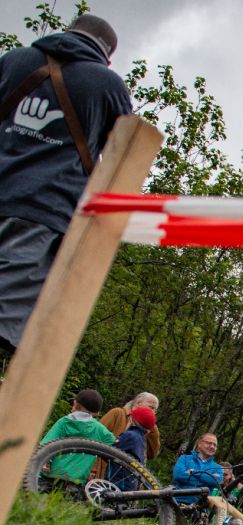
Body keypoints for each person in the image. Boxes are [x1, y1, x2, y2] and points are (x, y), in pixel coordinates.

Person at [0, 15, 133, 357]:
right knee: (6, 329)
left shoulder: (13, 60)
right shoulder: (106, 84)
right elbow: (124, 157)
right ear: (107, 56)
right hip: (43, 212)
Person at [36, 386, 114, 482]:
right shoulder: (99, 429)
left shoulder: (64, 422)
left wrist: (45, 462)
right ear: (97, 413)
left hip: (52, 474)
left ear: (75, 404)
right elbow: (115, 445)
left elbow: (46, 444)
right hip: (77, 479)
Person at [104, 402, 154, 491]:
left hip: (117, 483)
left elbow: (110, 452)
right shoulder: (141, 439)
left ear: (132, 420)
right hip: (129, 483)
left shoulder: (130, 436)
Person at [99, 391, 161, 460]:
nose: (152, 412)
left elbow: (152, 455)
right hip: (102, 463)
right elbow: (96, 435)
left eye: (155, 410)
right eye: (151, 407)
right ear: (138, 403)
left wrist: (151, 427)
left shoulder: (151, 428)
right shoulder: (118, 413)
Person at [172, 432, 223, 504]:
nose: (212, 447)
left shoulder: (218, 468)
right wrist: (205, 481)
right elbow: (178, 476)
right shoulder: (184, 458)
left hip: (201, 507)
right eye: (209, 443)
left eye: (215, 445)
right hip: (178, 501)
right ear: (199, 444)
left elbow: (215, 481)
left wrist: (193, 472)